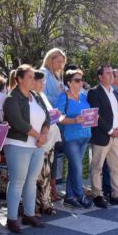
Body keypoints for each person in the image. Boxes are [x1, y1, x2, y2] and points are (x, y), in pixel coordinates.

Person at [3, 65, 50, 233]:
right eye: (30, 77)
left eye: (34, 77)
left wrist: (43, 134)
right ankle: (12, 219)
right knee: (17, 182)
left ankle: (29, 214)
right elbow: (18, 122)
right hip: (18, 145)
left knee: (31, 181)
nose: (33, 80)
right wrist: (39, 136)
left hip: (37, 145)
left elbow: (47, 117)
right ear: (20, 79)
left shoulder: (36, 96)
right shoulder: (12, 98)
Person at [87, 65, 118, 208]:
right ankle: (97, 195)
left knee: (116, 167)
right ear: (100, 77)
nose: (111, 75)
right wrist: (109, 130)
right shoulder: (94, 92)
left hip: (115, 136)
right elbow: (96, 114)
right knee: (97, 167)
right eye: (107, 73)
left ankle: (116, 195)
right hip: (102, 136)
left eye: (111, 73)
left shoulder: (115, 93)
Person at [56, 69, 93, 209]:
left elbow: (89, 113)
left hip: (85, 136)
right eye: (77, 80)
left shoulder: (84, 96)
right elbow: (58, 117)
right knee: (78, 167)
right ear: (69, 82)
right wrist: (74, 120)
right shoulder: (63, 97)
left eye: (81, 80)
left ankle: (69, 197)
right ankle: (80, 195)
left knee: (74, 167)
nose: (81, 82)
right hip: (70, 138)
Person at [32, 70, 62, 216]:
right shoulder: (30, 96)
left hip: (50, 142)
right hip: (38, 142)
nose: (43, 84)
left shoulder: (41, 95)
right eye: (40, 81)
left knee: (46, 174)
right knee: (36, 176)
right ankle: (34, 206)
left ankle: (45, 202)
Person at [39, 48, 67, 203]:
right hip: (47, 119)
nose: (60, 64)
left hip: (58, 119)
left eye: (62, 61)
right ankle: (48, 189)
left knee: (54, 156)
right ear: (50, 59)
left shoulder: (57, 75)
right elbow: (40, 94)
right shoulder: (43, 73)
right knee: (48, 156)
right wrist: (59, 97)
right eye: (58, 61)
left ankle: (52, 186)